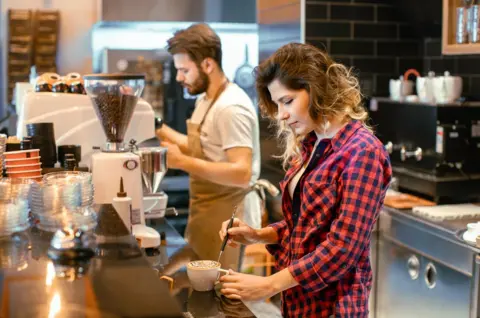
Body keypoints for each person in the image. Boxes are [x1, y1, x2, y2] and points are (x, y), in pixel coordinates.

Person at [218, 43, 392, 317]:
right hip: (299, 302)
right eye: (276, 105)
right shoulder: (312, 142)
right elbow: (305, 225)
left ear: (316, 88)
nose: (281, 115)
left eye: (287, 101)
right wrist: (257, 235)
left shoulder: (362, 152)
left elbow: (342, 248)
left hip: (333, 306)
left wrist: (269, 285)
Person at [156, 23, 276, 270]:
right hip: (208, 211)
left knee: (220, 296)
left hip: (228, 216)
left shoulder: (231, 107)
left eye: (184, 70)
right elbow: (200, 146)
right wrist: (154, 124)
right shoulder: (207, 99)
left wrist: (182, 162)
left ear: (208, 65)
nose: (179, 77)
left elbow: (241, 172)